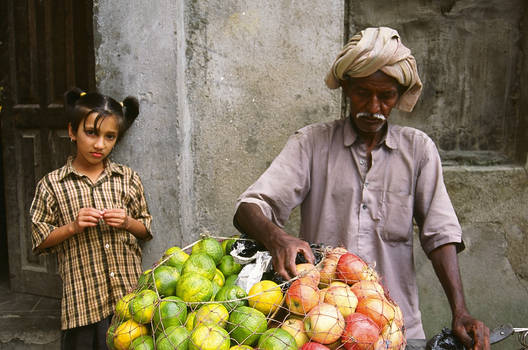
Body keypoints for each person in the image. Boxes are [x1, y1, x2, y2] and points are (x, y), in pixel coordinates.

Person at [234, 27, 490, 349]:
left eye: (386, 97)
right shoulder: (311, 144)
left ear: (399, 95)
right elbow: (248, 208)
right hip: (324, 328)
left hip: (394, 327)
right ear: (345, 88)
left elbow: (440, 235)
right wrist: (278, 237)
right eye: (362, 93)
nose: (373, 106)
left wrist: (460, 310)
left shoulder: (418, 150)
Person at [30, 88, 152, 350]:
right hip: (82, 305)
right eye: (91, 133)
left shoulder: (127, 178)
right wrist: (72, 227)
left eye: (110, 137)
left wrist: (127, 222)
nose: (100, 144)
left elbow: (145, 229)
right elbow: (40, 240)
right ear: (73, 132)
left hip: (128, 300)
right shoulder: (52, 185)